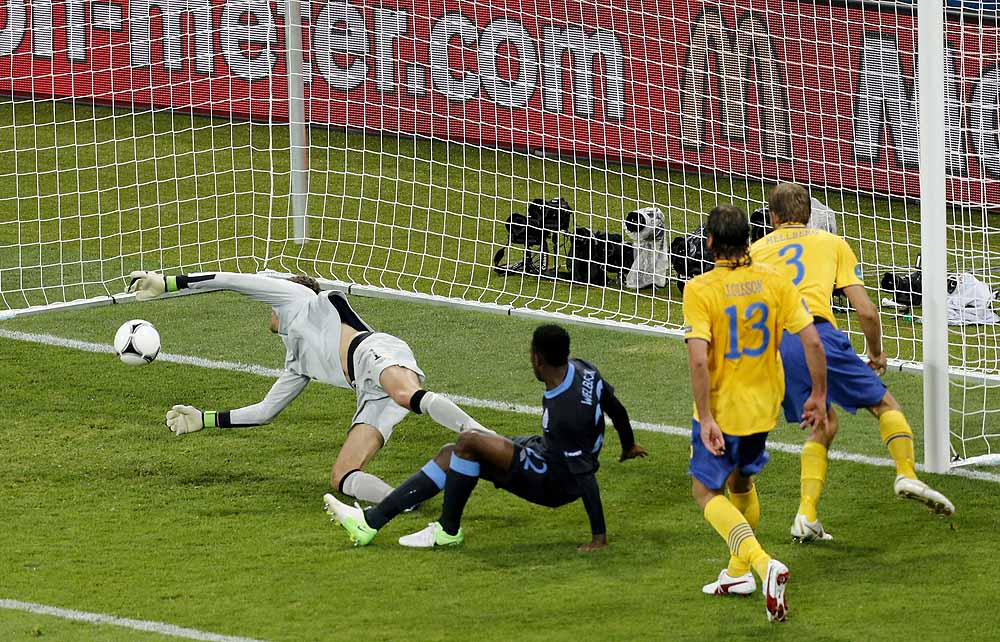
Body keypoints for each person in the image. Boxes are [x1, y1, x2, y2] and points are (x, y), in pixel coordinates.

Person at [126, 270, 489, 504]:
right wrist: (205, 419)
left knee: (405, 395)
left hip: (374, 352)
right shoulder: (297, 362)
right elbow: (265, 412)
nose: (268, 309)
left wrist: (168, 283)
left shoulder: (296, 298)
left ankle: (482, 436)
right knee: (342, 475)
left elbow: (231, 280)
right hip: (367, 392)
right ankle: (404, 500)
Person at [323, 324, 647, 551]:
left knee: (470, 443)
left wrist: (599, 536)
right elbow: (615, 406)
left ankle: (447, 530)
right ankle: (370, 523)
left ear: (538, 359)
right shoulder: (584, 370)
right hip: (546, 452)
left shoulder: (567, 413)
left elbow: (584, 477)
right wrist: (628, 443)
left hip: (554, 480)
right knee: (453, 452)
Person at [750, 183, 954, 543]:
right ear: (808, 215)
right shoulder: (832, 243)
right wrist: (876, 352)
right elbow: (867, 311)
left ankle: (806, 516)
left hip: (770, 347)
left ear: (773, 216)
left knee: (824, 423)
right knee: (884, 404)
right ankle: (906, 473)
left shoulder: (755, 250)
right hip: (815, 335)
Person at [683, 204, 829, 622]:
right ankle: (737, 573)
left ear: (710, 241)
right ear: (749, 239)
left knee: (705, 492)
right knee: (740, 481)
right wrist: (818, 395)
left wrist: (706, 418)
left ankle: (764, 565)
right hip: (764, 406)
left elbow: (699, 359)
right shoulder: (776, 280)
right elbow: (812, 341)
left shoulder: (700, 289)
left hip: (724, 408)